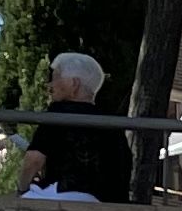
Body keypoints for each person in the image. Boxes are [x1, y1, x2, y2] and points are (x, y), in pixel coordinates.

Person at [24, 50, 132, 202]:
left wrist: (22, 186)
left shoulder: (58, 113)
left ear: (73, 84)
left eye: (55, 78)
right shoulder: (113, 124)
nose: (50, 85)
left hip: (62, 193)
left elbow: (33, 160)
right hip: (105, 203)